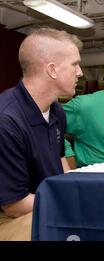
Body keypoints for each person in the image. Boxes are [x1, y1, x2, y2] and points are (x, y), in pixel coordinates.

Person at [0, 28, 83, 240]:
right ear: (52, 70)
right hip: (12, 216)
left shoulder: (57, 111)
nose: (80, 72)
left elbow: (60, 162)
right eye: (74, 64)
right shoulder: (6, 121)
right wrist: (71, 201)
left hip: (40, 205)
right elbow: (14, 205)